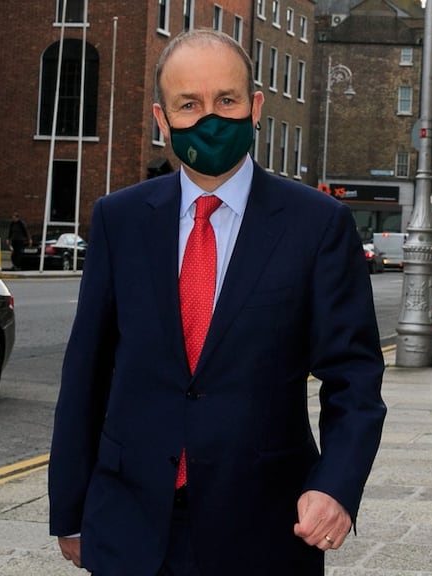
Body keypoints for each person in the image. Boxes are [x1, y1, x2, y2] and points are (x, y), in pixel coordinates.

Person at [49, 29, 386, 575]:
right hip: (129, 523)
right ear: (163, 120)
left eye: (226, 100)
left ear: (255, 107)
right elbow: (88, 369)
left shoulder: (318, 224)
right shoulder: (120, 219)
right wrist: (69, 508)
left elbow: (353, 376)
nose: (210, 119)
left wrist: (336, 487)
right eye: (189, 105)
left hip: (265, 529)